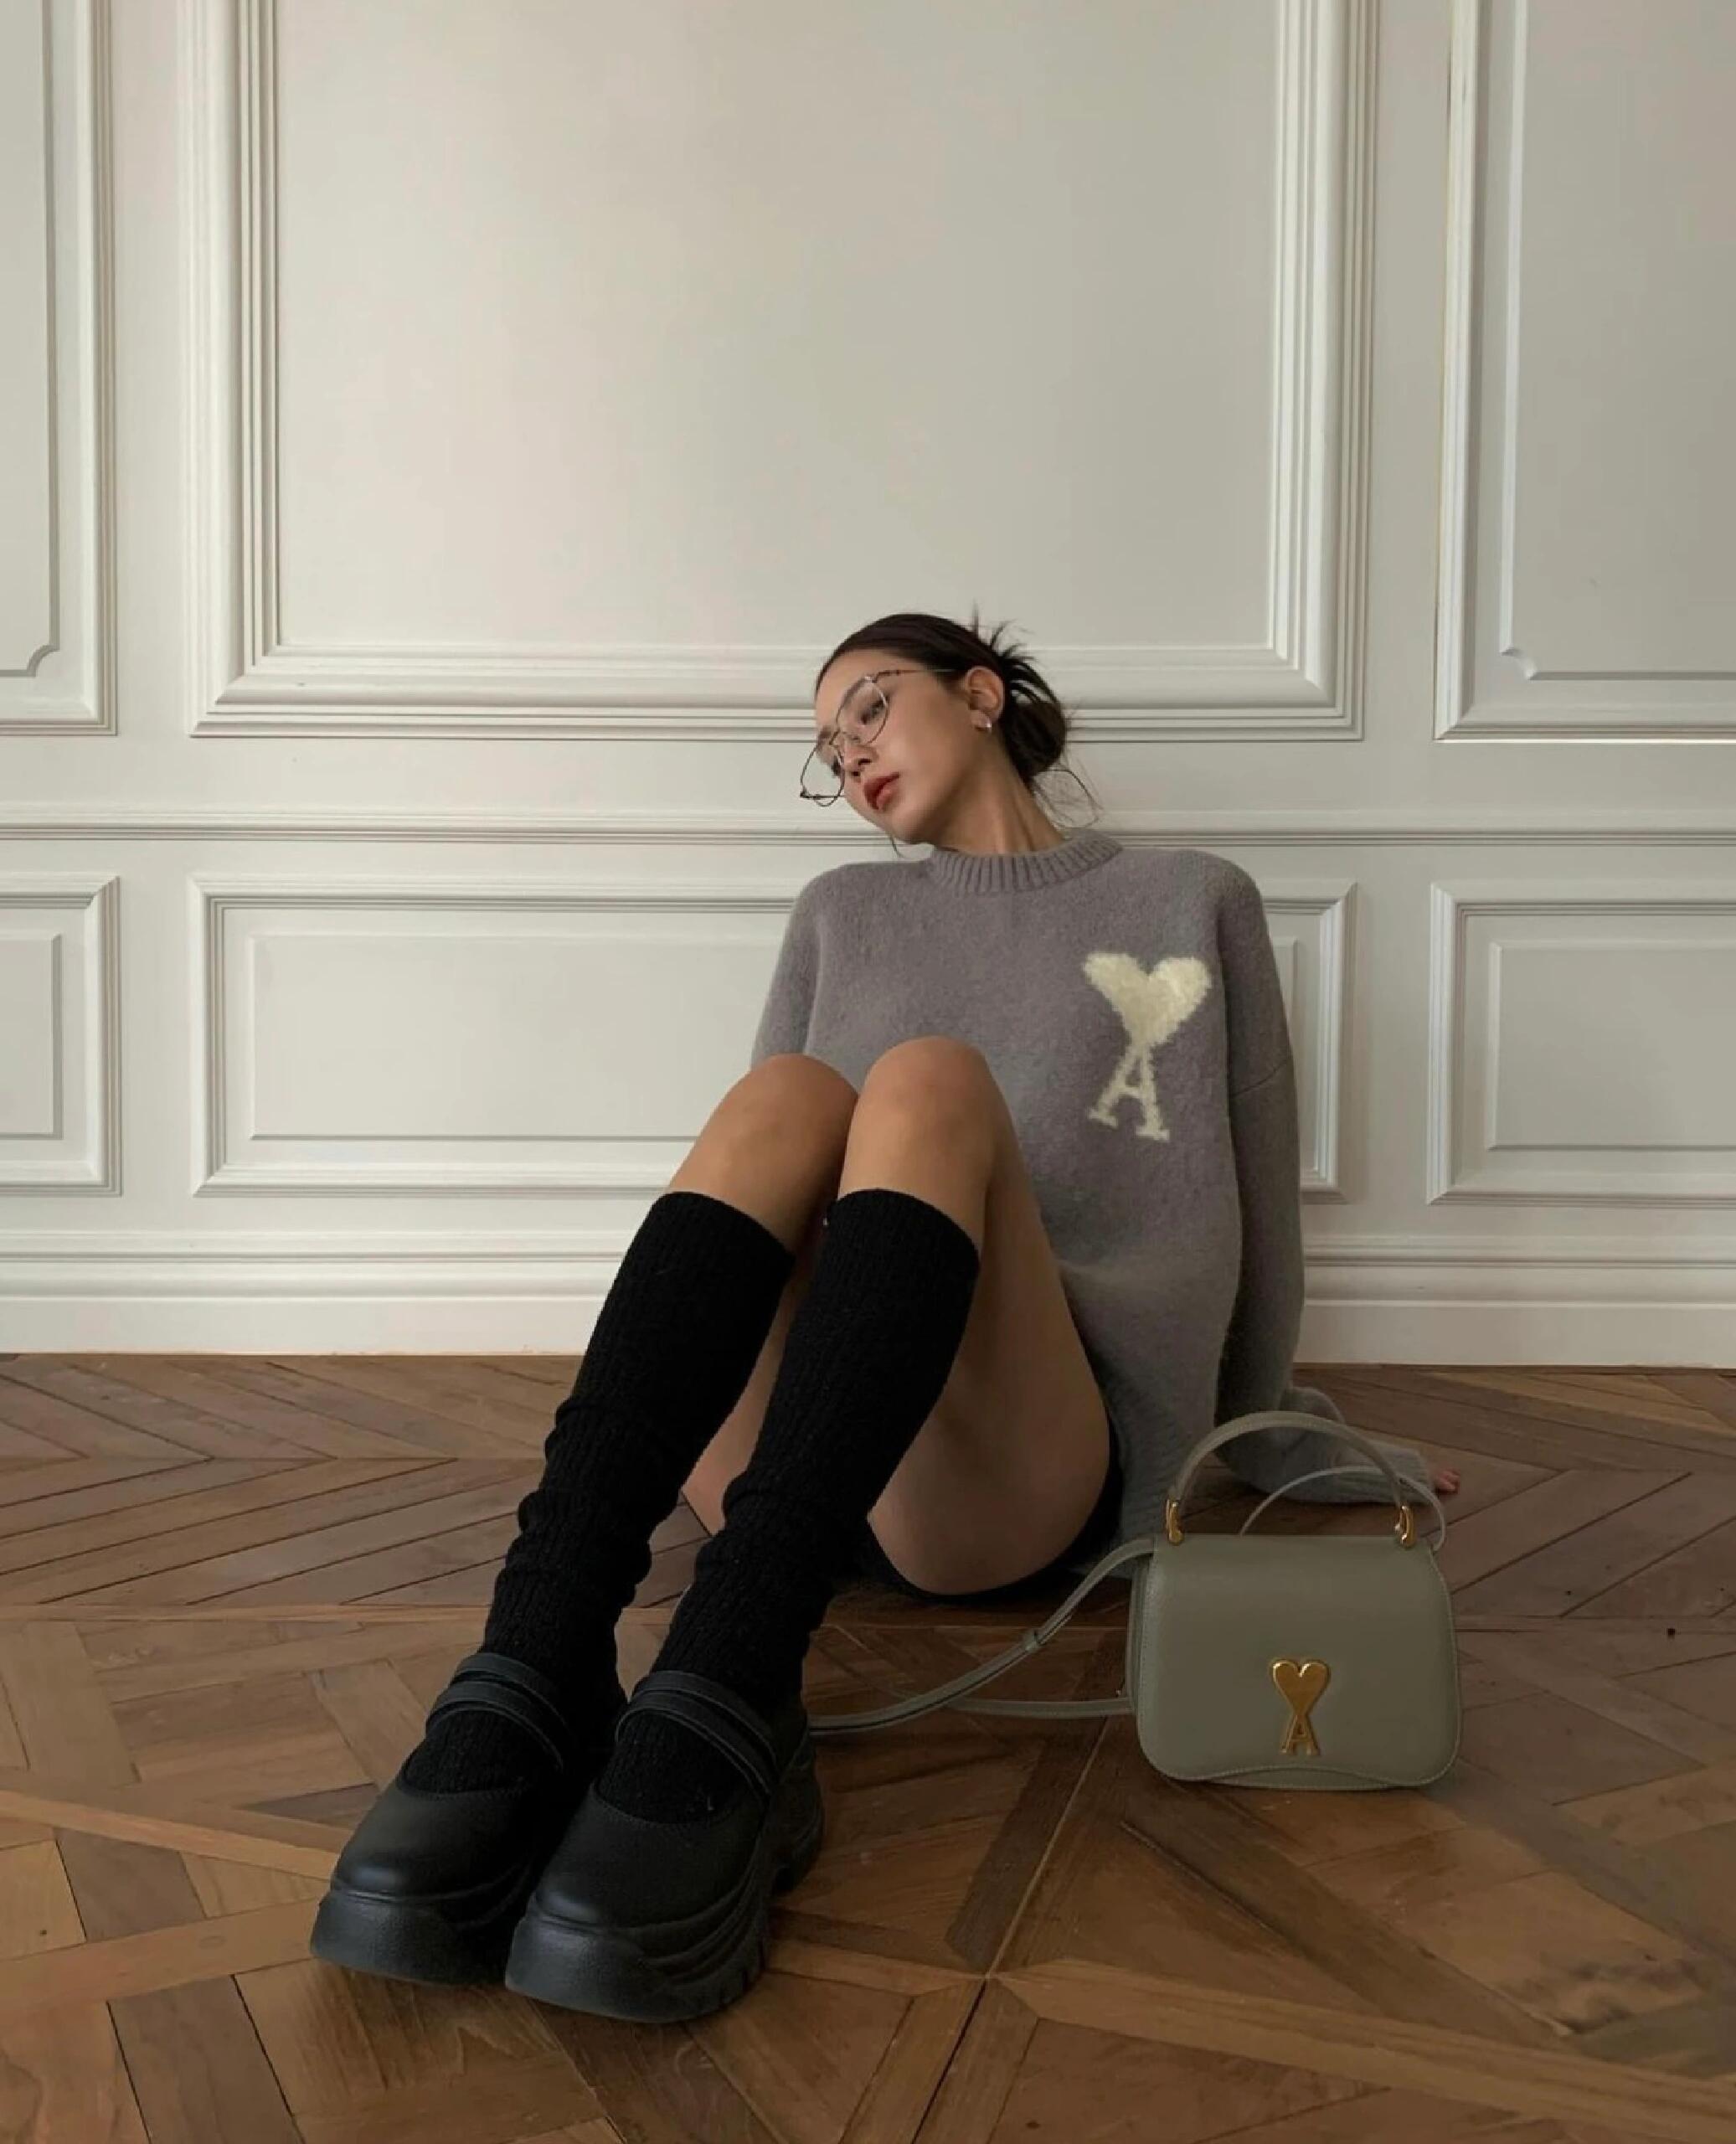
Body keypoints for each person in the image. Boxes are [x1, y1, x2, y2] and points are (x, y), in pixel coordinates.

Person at [312, 607, 1460, 2023]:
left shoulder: (1189, 899)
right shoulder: (839, 912)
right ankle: (537, 1654)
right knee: (788, 1096)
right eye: (825, 747)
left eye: (867, 706)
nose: (848, 755)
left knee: (922, 1080)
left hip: (1002, 1470)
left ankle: (727, 1667)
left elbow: (1257, 1209)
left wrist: (1285, 1438)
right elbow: (757, 1216)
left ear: (979, 693)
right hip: (779, 1462)